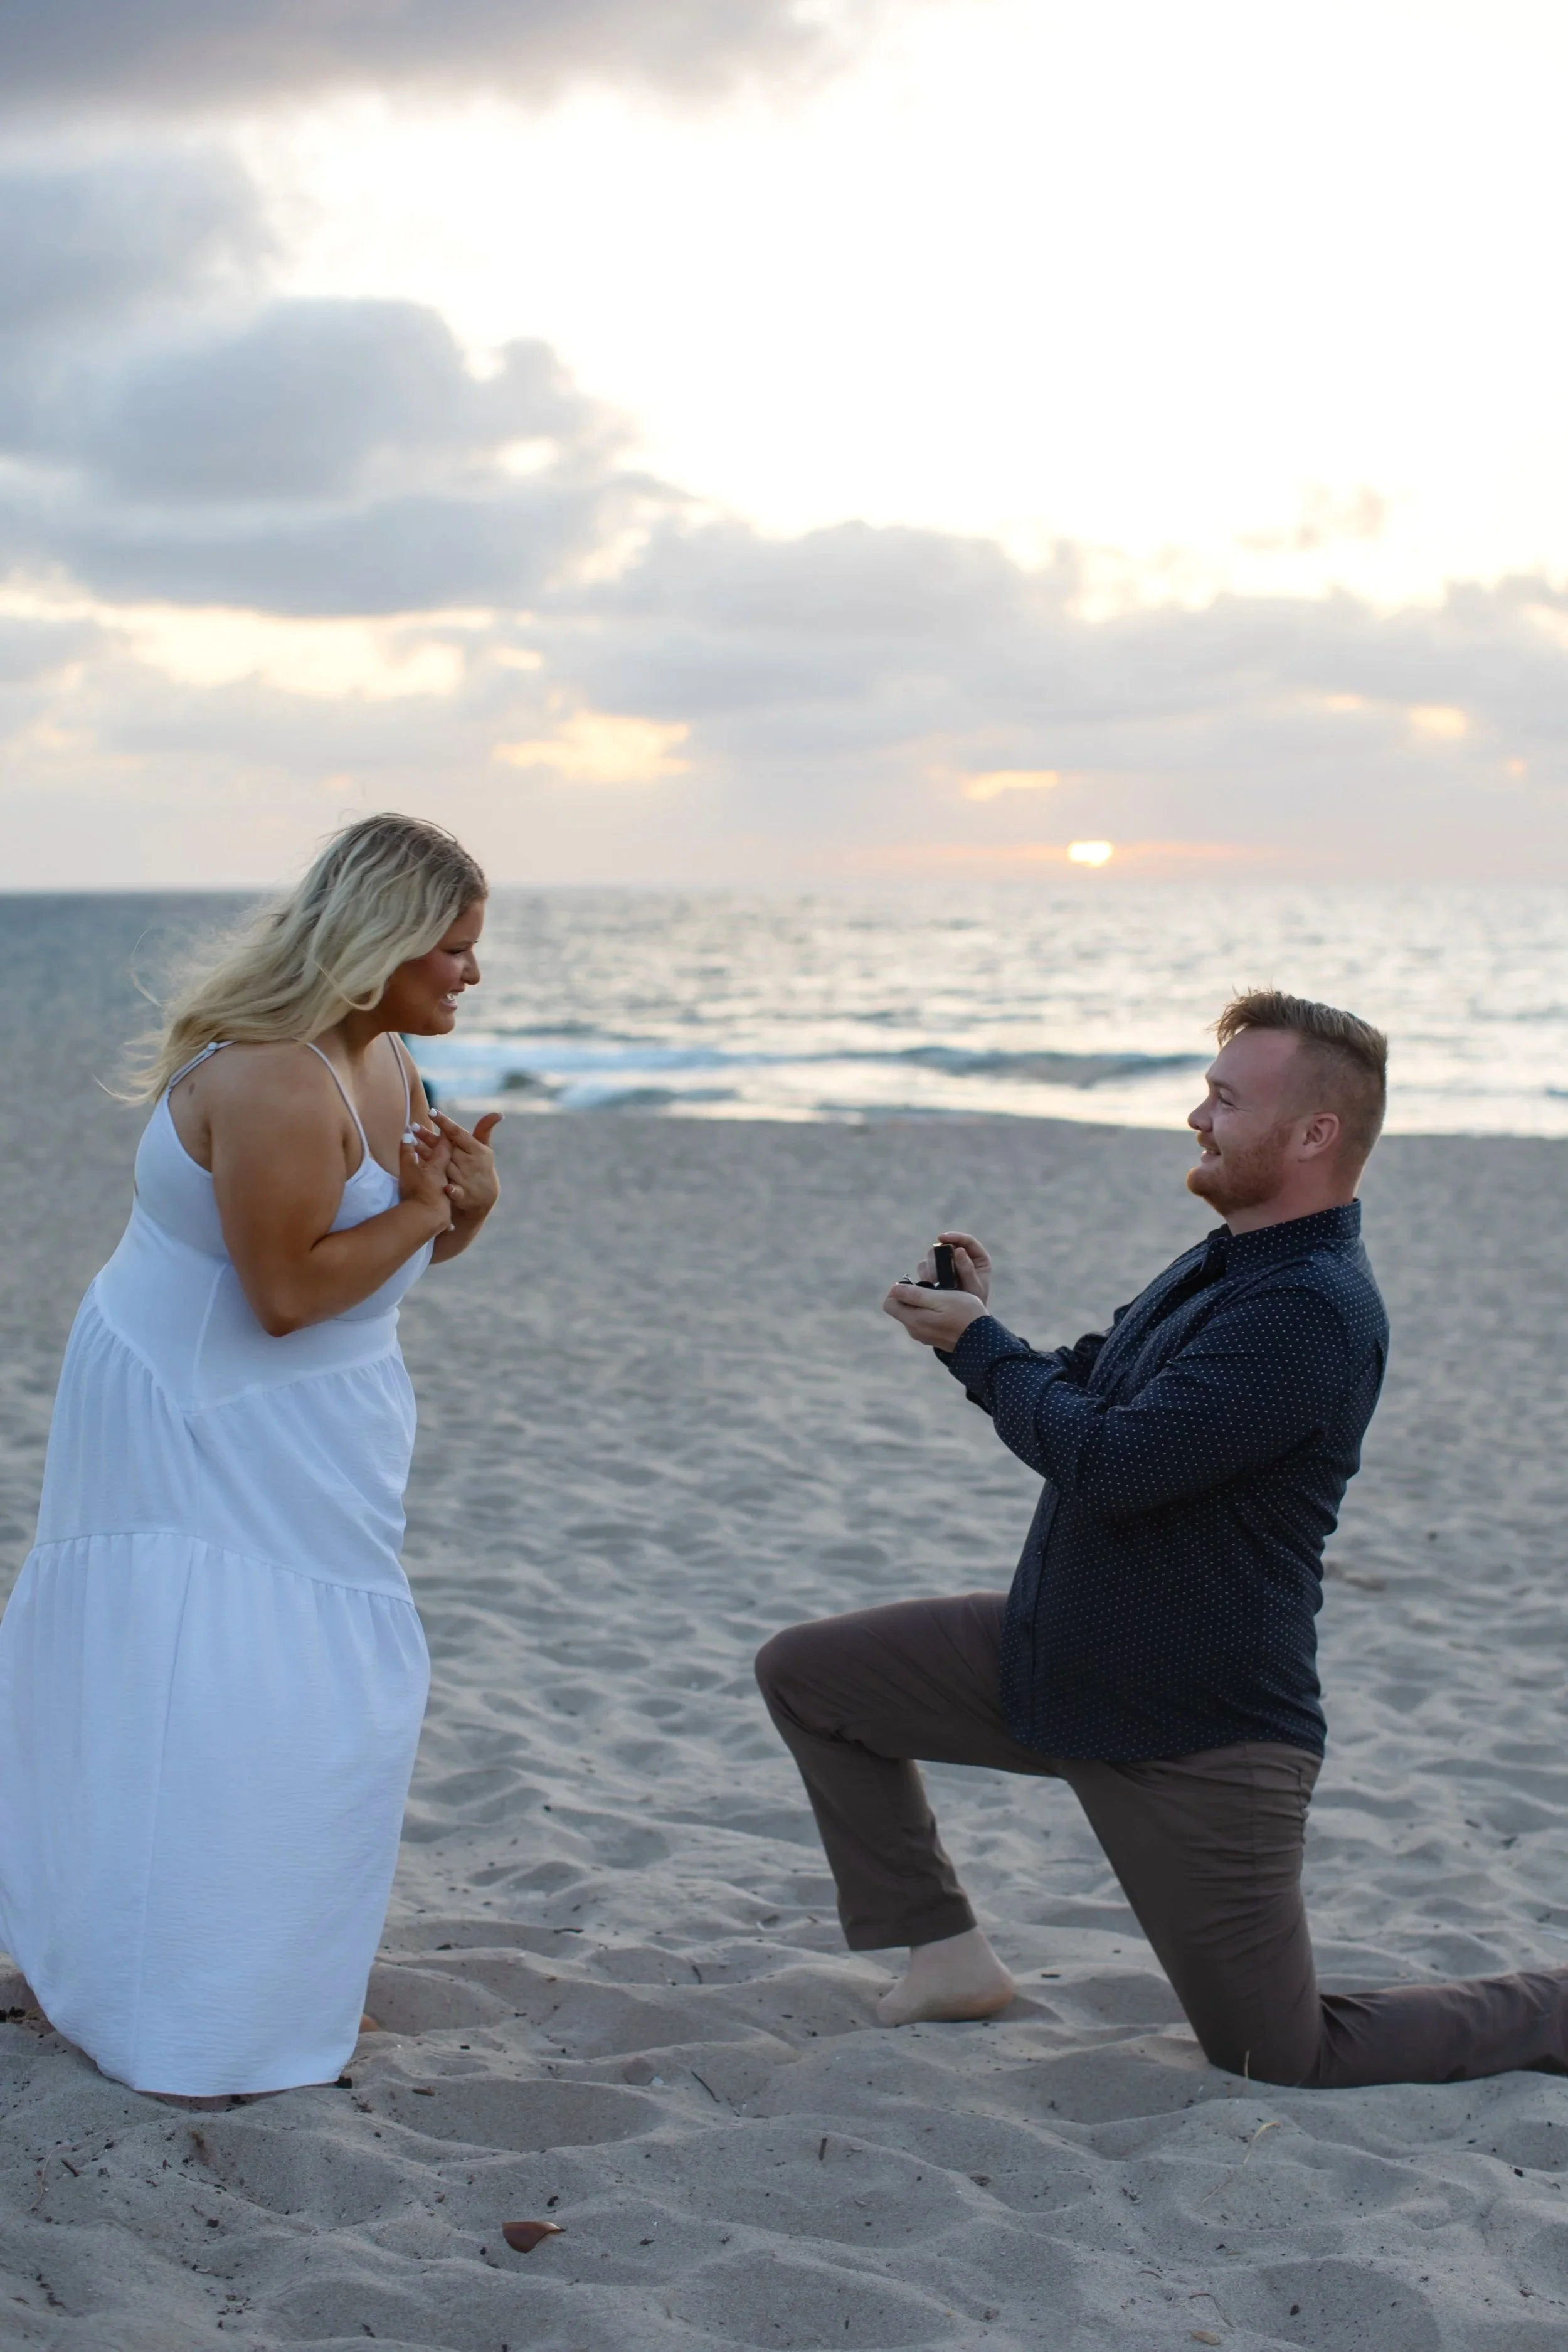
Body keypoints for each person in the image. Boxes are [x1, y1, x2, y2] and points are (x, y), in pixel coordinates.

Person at [758, 990, 1568, 2087]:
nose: (1198, 1116)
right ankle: (946, 1954)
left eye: (1226, 1100)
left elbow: (1116, 1463)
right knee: (813, 1677)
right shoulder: (1231, 1258)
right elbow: (1102, 1384)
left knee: (1280, 2054)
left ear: (1315, 1133)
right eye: (1206, 1091)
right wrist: (979, 1332)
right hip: (1062, 1658)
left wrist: (986, 1349)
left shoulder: (1312, 1308)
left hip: (1196, 1729)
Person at [0, 813, 501, 2099]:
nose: (470, 974)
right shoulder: (277, 1077)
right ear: (378, 944)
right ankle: (164, 1992)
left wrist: (459, 1217)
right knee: (203, 1689)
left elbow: (379, 1256)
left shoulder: (384, 1056)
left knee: (323, 1695)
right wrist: (423, 1215)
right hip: (199, 1405)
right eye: (451, 948)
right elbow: (283, 1290)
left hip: (323, 1409)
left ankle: (269, 1971)